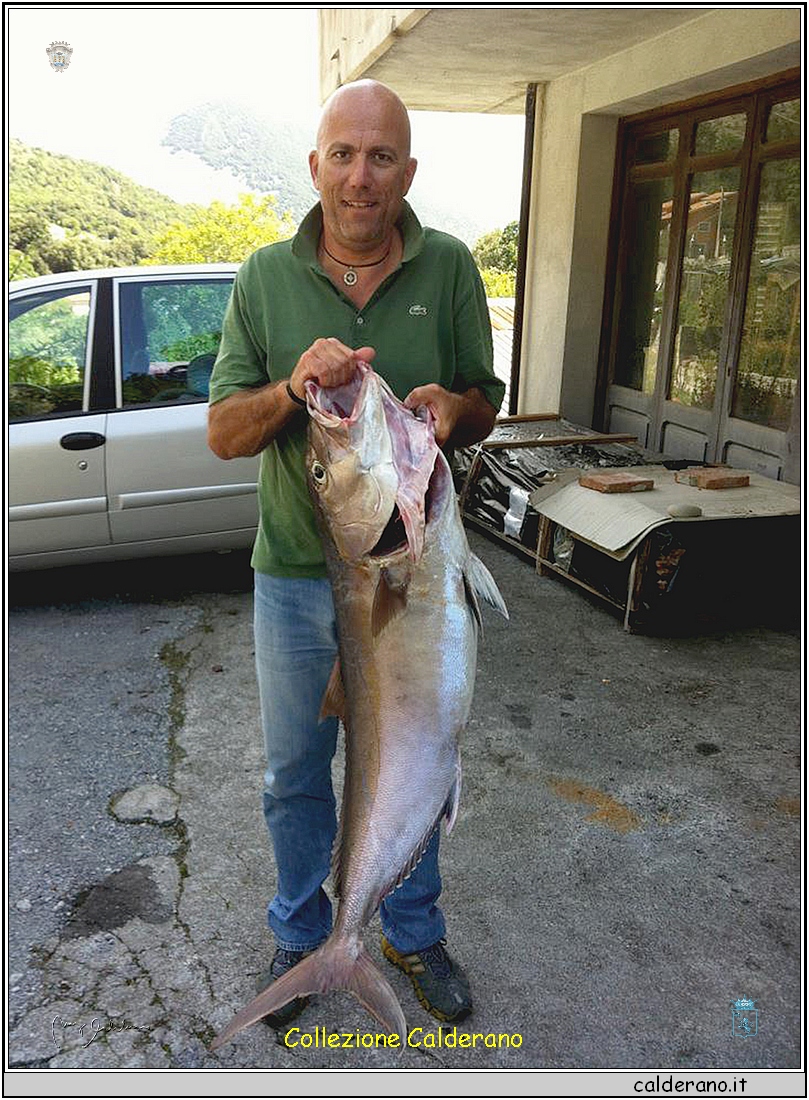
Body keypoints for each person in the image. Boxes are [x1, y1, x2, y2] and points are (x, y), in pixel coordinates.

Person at [208, 79, 505, 1028]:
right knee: (293, 774)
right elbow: (223, 432)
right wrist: (295, 391)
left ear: (406, 172)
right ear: (315, 166)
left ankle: (408, 934)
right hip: (297, 582)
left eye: (381, 157)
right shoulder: (261, 275)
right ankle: (304, 937)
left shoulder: (451, 267)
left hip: (409, 570)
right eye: (342, 154)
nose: (360, 176)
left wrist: (456, 414)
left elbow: (482, 403)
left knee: (418, 754)